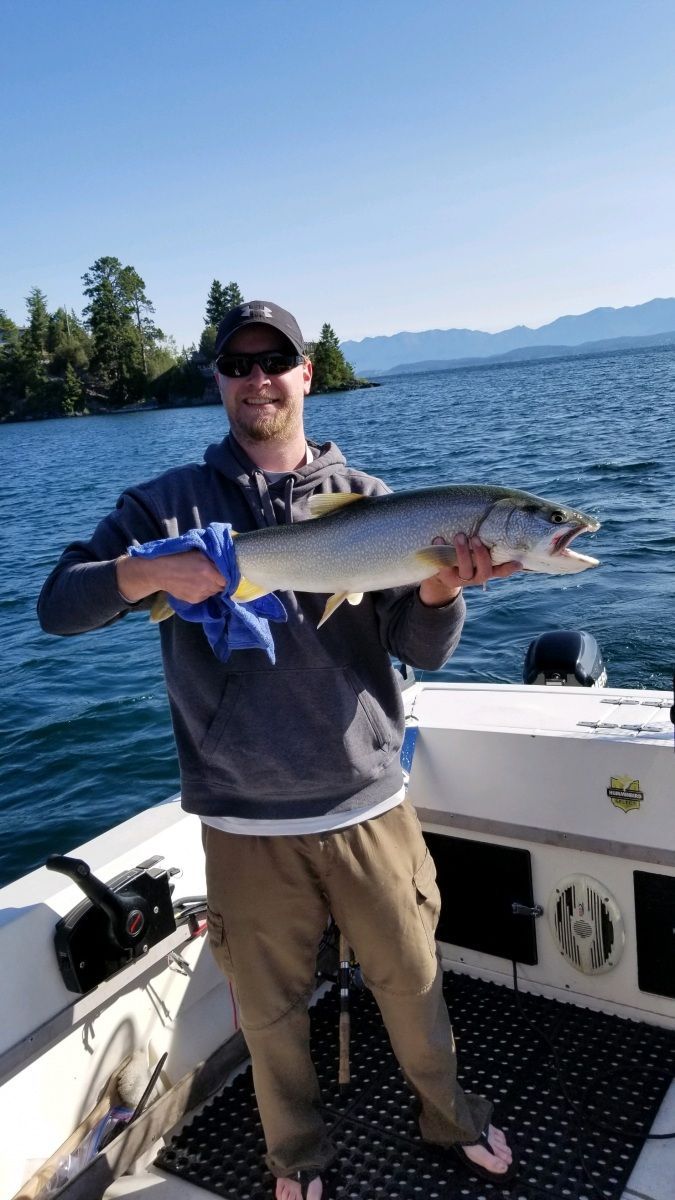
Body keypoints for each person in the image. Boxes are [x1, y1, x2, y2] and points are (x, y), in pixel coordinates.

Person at [38, 300, 520, 1200]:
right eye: (238, 363)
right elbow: (59, 606)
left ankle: (452, 1116)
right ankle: (293, 1157)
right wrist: (142, 573)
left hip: (366, 798)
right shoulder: (165, 504)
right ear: (218, 380)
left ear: (307, 374)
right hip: (240, 813)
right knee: (265, 1014)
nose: (258, 378)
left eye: (276, 361)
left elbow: (416, 651)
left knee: (413, 980)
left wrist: (443, 590)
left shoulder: (375, 503)